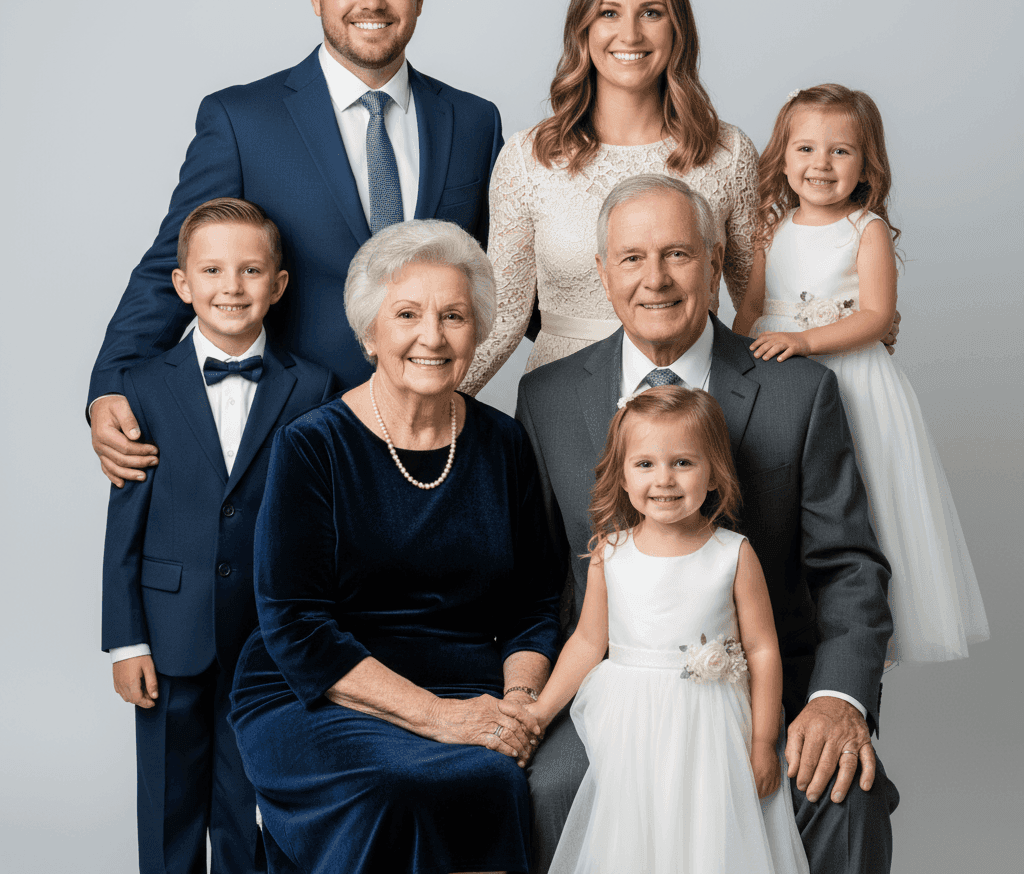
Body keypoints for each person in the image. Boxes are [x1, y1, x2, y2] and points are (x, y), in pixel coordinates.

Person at [516, 174, 899, 874]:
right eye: (631, 258)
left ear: (717, 263)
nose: (654, 279)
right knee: (553, 787)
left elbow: (850, 566)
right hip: (613, 693)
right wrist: (528, 701)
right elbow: (537, 583)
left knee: (843, 795)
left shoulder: (799, 390)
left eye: (678, 255)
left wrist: (837, 698)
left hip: (762, 694)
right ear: (603, 274)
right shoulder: (547, 398)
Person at [89, 0, 502, 487]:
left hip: (432, 437)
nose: (373, 1)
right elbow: (172, 265)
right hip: (289, 438)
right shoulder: (242, 122)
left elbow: (505, 272)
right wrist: (112, 379)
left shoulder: (473, 121)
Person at [228, 220, 563, 874]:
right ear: (369, 333)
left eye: (455, 316)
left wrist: (519, 702)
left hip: (469, 683)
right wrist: (440, 718)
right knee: (397, 790)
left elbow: (535, 602)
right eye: (407, 313)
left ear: (477, 332)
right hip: (317, 691)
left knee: (497, 781)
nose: (431, 336)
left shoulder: (503, 444)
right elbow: (296, 626)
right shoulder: (312, 446)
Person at [101, 199, 338, 874]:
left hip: (269, 642)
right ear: (183, 285)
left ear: (279, 284)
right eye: (212, 270)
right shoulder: (139, 388)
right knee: (169, 805)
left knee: (252, 805)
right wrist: (125, 641)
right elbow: (125, 527)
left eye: (250, 270)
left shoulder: (315, 387)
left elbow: (323, 529)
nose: (231, 287)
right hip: (169, 633)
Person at [733, 84, 989, 665]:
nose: (820, 164)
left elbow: (875, 316)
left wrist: (802, 339)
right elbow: (749, 311)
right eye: (805, 148)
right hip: (780, 384)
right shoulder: (771, 228)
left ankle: (856, 635)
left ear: (866, 162)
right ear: (783, 154)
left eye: (840, 151)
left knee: (861, 498)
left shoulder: (865, 230)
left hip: (855, 386)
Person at [529, 385, 810, 874]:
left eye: (683, 462)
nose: (664, 480)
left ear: (714, 470)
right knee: (633, 834)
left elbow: (763, 649)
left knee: (705, 835)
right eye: (645, 464)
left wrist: (764, 741)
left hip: (711, 721)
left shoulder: (732, 554)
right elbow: (588, 642)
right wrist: (539, 712)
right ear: (621, 473)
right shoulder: (610, 552)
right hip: (628, 717)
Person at [461, 0, 759, 394]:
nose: (631, 35)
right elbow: (503, 316)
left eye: (651, 13)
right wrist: (414, 411)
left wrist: (851, 322)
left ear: (678, 28)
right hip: (563, 404)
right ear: (582, 28)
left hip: (693, 399)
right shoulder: (529, 158)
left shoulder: (727, 152)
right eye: (609, 13)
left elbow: (759, 301)